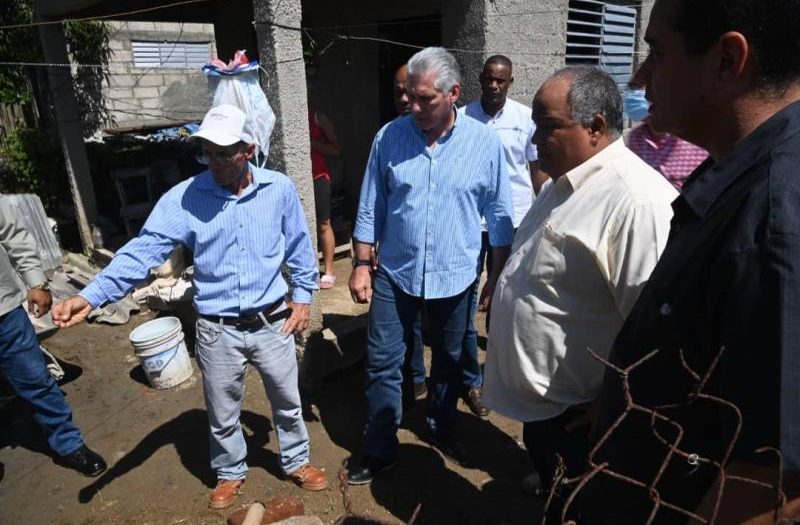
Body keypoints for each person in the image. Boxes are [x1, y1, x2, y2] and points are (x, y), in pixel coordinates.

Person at [576, 0, 800, 522]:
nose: (639, 75)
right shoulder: (733, 176)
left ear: (726, 61)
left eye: (656, 51)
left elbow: (774, 485)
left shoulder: (777, 218)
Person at [52, 104, 328, 510]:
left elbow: (300, 248)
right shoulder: (184, 199)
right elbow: (140, 252)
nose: (214, 162)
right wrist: (90, 295)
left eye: (224, 152)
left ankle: (297, 461)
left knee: (288, 401)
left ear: (247, 149)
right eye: (207, 152)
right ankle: (231, 471)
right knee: (221, 411)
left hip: (272, 322)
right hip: (217, 328)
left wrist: (303, 298)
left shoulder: (279, 190)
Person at [482, 66, 677, 517]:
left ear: (595, 128)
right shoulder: (561, 184)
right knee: (555, 492)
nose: (534, 140)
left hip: (584, 420)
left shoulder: (635, 202)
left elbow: (655, 332)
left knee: (582, 509)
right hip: (545, 409)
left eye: (547, 127)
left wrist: (613, 406)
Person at [346, 47, 514, 485]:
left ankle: (441, 427)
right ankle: (381, 447)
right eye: (408, 97)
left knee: (448, 361)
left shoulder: (484, 144)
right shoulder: (389, 137)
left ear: (454, 93)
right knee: (383, 361)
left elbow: (499, 216)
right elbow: (371, 205)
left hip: (455, 275)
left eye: (424, 99)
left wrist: (497, 275)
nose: (412, 107)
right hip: (395, 274)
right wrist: (362, 263)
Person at [458, 54, 547, 418]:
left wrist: (544, 207)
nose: (494, 86)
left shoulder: (524, 119)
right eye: (489, 79)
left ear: (510, 83)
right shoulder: (462, 118)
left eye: (501, 80)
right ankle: (469, 378)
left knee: (502, 295)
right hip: (470, 220)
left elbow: (535, 169)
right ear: (480, 79)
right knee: (464, 297)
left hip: (512, 220)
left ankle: (492, 373)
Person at [0, 198, 106, 477]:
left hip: (4, 311)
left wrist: (36, 281)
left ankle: (69, 444)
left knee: (36, 380)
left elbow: (12, 233)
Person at [391, 63, 428, 404]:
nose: (404, 99)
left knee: (456, 329)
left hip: (450, 253)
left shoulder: (463, 137)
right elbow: (379, 200)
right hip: (402, 255)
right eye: (398, 93)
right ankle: (415, 377)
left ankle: (467, 380)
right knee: (410, 321)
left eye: (411, 91)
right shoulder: (388, 137)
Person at [624, 82, 708, 190]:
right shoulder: (636, 138)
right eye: (635, 89)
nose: (636, 95)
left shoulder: (695, 140)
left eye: (643, 89)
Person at [308, 106, 341, 289]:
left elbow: (336, 149)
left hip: (318, 177)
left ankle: (329, 270)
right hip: (297, 179)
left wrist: (309, 141)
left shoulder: (317, 116)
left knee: (323, 223)